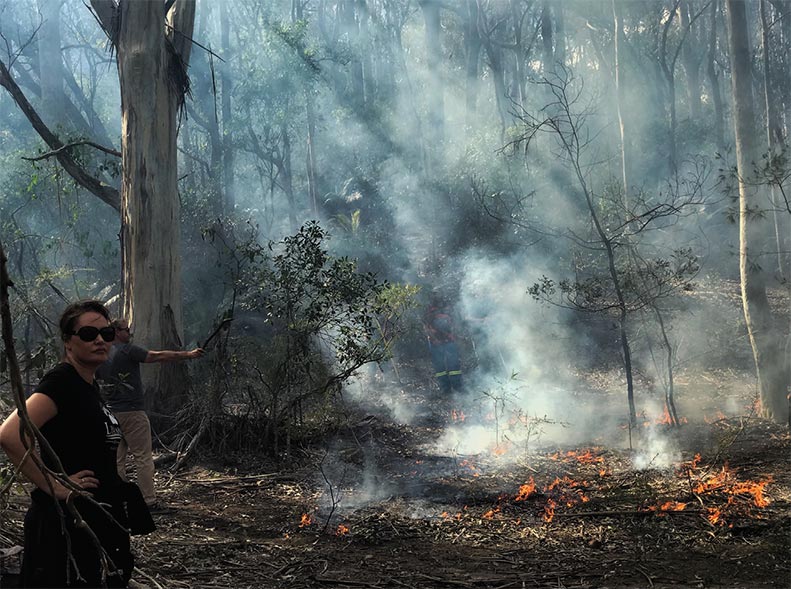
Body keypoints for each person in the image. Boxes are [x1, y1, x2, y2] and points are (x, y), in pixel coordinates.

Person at [0, 300, 152, 587]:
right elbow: (10, 434)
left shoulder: (87, 385)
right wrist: (55, 485)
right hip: (65, 526)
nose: (99, 340)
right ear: (68, 342)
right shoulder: (62, 382)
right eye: (88, 334)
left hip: (93, 521)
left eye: (106, 334)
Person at [97, 318, 204, 510]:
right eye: (126, 330)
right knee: (143, 458)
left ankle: (119, 499)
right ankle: (148, 501)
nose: (129, 333)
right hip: (133, 413)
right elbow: (158, 356)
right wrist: (189, 354)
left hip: (111, 414)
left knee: (116, 460)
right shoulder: (129, 350)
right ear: (116, 332)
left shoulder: (103, 354)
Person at [424, 292, 463, 394]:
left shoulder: (442, 310)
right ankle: (448, 389)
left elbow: (453, 325)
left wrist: (453, 336)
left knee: (451, 366)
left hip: (445, 342)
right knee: (442, 367)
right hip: (438, 343)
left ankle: (455, 387)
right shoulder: (430, 312)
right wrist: (435, 339)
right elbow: (427, 329)